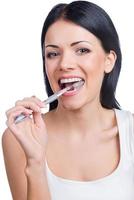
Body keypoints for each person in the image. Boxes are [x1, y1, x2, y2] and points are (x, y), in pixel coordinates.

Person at [2, 1, 134, 200]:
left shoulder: (131, 132)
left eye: (82, 50)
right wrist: (36, 162)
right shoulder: (19, 138)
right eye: (53, 54)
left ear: (109, 61)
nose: (64, 64)